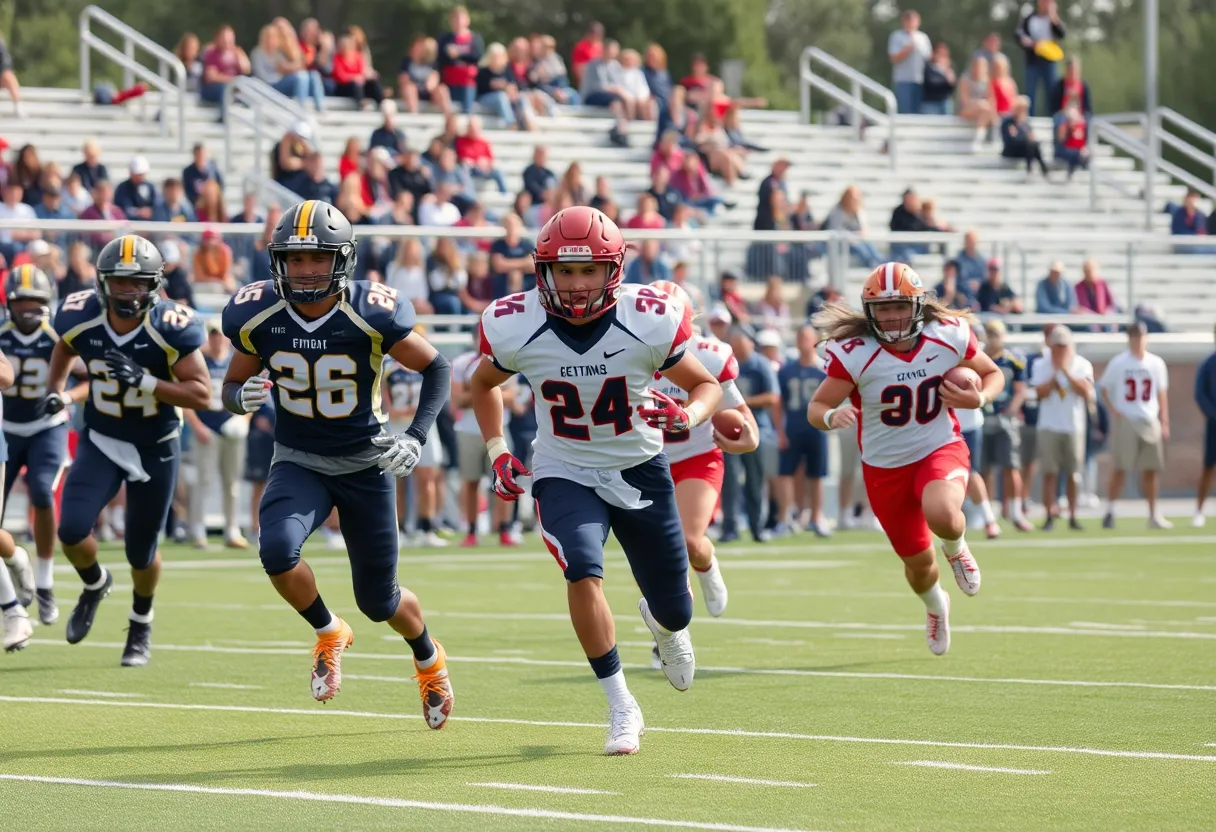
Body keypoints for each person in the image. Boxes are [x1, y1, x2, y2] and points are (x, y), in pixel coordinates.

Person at [470, 205, 721, 755]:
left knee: (675, 608)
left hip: (639, 467)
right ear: (544, 271)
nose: (577, 283)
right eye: (565, 270)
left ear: (614, 270)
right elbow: (481, 384)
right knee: (582, 569)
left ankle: (665, 625)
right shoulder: (515, 322)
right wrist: (498, 451)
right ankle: (621, 704)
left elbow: (707, 386)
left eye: (589, 269)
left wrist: (688, 416)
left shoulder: (648, 318)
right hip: (563, 468)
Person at [218, 200, 454, 724]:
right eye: (295, 258)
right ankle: (329, 630)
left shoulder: (371, 311)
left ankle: (428, 658)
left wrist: (416, 436)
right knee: (277, 551)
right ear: (278, 261)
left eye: (317, 258)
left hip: (366, 463)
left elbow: (438, 368)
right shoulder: (258, 315)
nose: (305, 270)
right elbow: (231, 385)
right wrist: (240, 397)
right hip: (299, 459)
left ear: (341, 260)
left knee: (379, 601)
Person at [809, 262, 1003, 656]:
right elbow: (817, 407)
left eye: (900, 306)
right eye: (883, 309)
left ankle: (957, 548)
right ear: (870, 311)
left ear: (917, 306)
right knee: (918, 566)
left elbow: (993, 374)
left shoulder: (947, 335)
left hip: (939, 445)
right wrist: (831, 417)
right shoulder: (856, 353)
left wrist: (980, 397)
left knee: (943, 513)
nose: (893, 316)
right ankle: (936, 605)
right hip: (885, 468)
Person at [40, 235, 210, 666]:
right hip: (103, 437)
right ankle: (95, 582)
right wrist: (55, 390)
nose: (128, 290)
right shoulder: (81, 315)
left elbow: (202, 394)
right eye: (119, 281)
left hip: (155, 444)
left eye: (137, 282)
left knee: (141, 552)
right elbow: (65, 345)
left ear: (154, 284)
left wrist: (145, 380)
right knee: (71, 531)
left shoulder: (170, 325)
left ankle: (140, 621)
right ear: (103, 282)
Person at [646, 279, 758, 654]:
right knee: (659, 556)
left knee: (689, 542)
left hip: (698, 457)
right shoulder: (626, 353)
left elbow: (743, 417)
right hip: (645, 462)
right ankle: (671, 631)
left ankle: (707, 568)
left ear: (687, 319)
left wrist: (748, 438)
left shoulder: (709, 355)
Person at [1, 266, 78, 631]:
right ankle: (15, 567)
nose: (29, 309)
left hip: (46, 426)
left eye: (36, 302)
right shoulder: (3, 334)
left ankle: (45, 581)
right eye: (22, 302)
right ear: (10, 304)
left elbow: (91, 380)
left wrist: (65, 396)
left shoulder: (57, 336)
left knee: (43, 492)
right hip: (6, 430)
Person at [182, 320, 250, 550]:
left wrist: (244, 420)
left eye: (219, 334)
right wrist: (197, 426)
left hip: (231, 426)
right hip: (207, 426)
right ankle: (198, 530)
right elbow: (186, 395)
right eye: (212, 335)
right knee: (204, 481)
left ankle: (232, 530)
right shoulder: (200, 360)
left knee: (232, 483)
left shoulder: (236, 360)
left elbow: (250, 392)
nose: (216, 339)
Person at [1098, 323, 1170, 529]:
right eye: (1134, 336)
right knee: (1120, 467)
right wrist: (1114, 409)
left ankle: (1153, 514)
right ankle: (1110, 510)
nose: (1138, 340)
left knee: (1151, 469)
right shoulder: (1119, 362)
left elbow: (1161, 393)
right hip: (1127, 419)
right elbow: (1104, 387)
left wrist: (1164, 421)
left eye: (1141, 336)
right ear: (1129, 338)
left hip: (1149, 418)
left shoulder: (1156, 363)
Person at [1029, 326, 1093, 530]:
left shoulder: (1082, 364)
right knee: (1049, 472)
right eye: (1057, 347)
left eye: (1064, 347)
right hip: (1049, 425)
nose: (1060, 351)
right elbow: (1039, 393)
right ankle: (1049, 514)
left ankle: (1073, 515)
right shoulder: (1041, 364)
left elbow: (1086, 392)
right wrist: (1055, 373)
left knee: (1073, 473)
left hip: (1074, 425)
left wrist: (1066, 371)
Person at [383, 351, 446, 547]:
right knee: (397, 481)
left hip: (424, 428)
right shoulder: (389, 369)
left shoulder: (428, 366)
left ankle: (427, 527)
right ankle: (399, 528)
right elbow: (389, 408)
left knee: (427, 478)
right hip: (398, 428)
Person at [774, 323, 831, 536]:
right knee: (786, 472)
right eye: (800, 338)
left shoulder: (825, 369)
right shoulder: (787, 370)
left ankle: (817, 517)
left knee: (817, 474)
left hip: (817, 428)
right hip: (793, 426)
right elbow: (778, 403)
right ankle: (786, 517)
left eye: (807, 338)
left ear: (815, 340)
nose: (803, 343)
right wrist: (780, 431)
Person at [979, 320, 1033, 531]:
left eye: (997, 335)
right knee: (984, 469)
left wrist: (1011, 411)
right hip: (982, 416)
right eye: (990, 334)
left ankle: (1016, 512)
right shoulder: (978, 358)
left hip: (1005, 418)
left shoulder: (1013, 361)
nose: (993, 339)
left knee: (1011, 466)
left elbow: (1020, 390)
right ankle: (989, 515)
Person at [1194, 326, 1216, 527]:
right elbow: (1200, 394)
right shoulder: (1209, 364)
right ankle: (1199, 511)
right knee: (1208, 467)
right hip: (1214, 424)